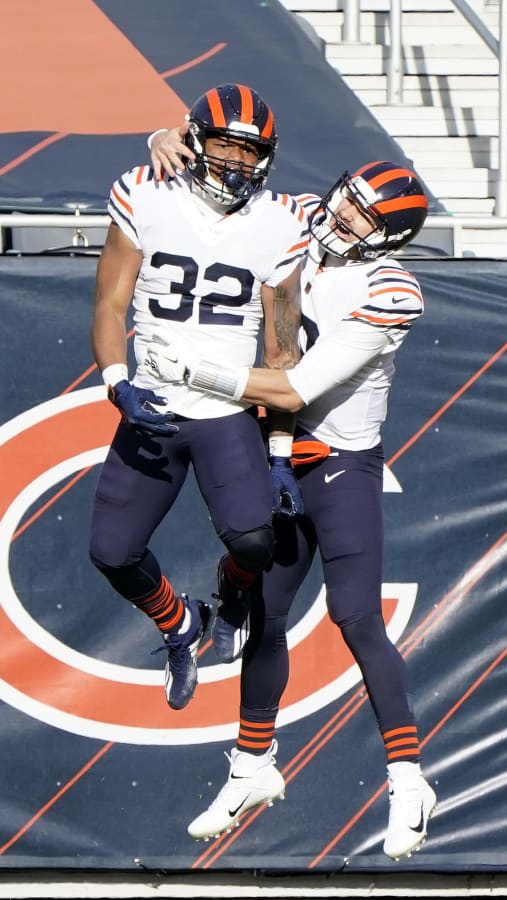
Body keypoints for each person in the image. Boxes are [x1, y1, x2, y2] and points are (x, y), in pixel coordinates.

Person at [143, 150, 437, 860]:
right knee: (266, 613)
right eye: (346, 197)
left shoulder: (391, 289)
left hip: (337, 462)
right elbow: (224, 191)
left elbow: (295, 389)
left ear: (387, 234)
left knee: (356, 616)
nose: (341, 215)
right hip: (276, 451)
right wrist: (173, 136)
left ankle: (409, 781)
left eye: (363, 214)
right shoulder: (303, 216)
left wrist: (198, 371)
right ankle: (251, 766)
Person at [89, 83, 307, 711]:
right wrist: (115, 381)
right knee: (111, 551)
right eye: (224, 145)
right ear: (194, 138)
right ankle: (180, 622)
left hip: (226, 411)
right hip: (154, 400)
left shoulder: (284, 220)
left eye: (250, 152)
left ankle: (228, 590)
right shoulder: (145, 190)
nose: (237, 162)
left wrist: (281, 451)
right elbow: (109, 301)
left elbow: (282, 348)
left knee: (256, 545)